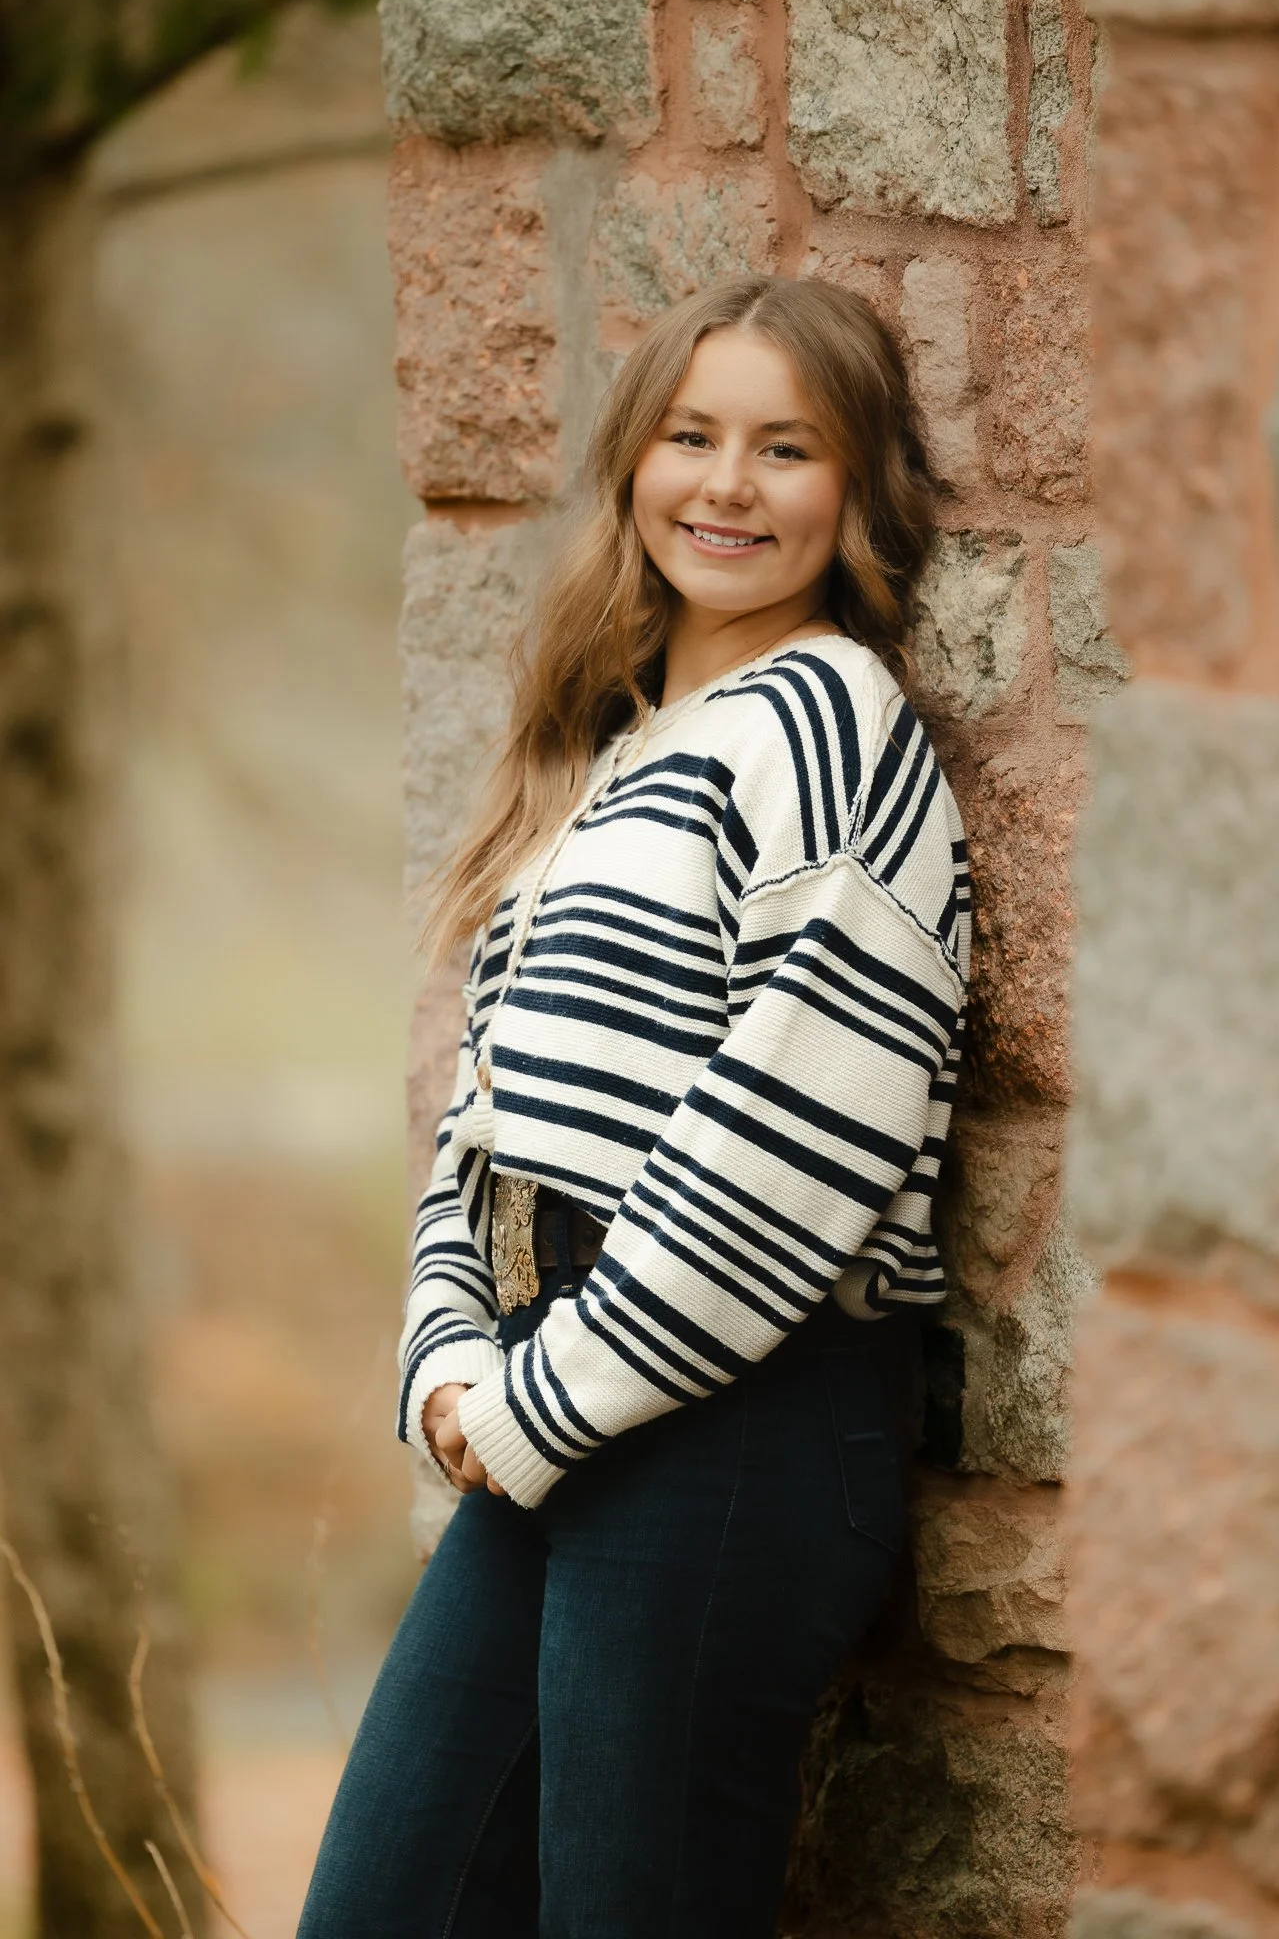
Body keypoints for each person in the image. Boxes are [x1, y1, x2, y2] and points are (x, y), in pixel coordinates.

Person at [297, 274, 970, 1939]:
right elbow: (484, 1127)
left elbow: (792, 1137)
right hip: (560, 1408)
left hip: (731, 1427)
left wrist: (535, 1406)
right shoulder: (613, 753)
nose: (728, 486)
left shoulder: (831, 724)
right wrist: (451, 1356)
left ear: (855, 492)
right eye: (694, 436)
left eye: (787, 450)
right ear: (636, 462)